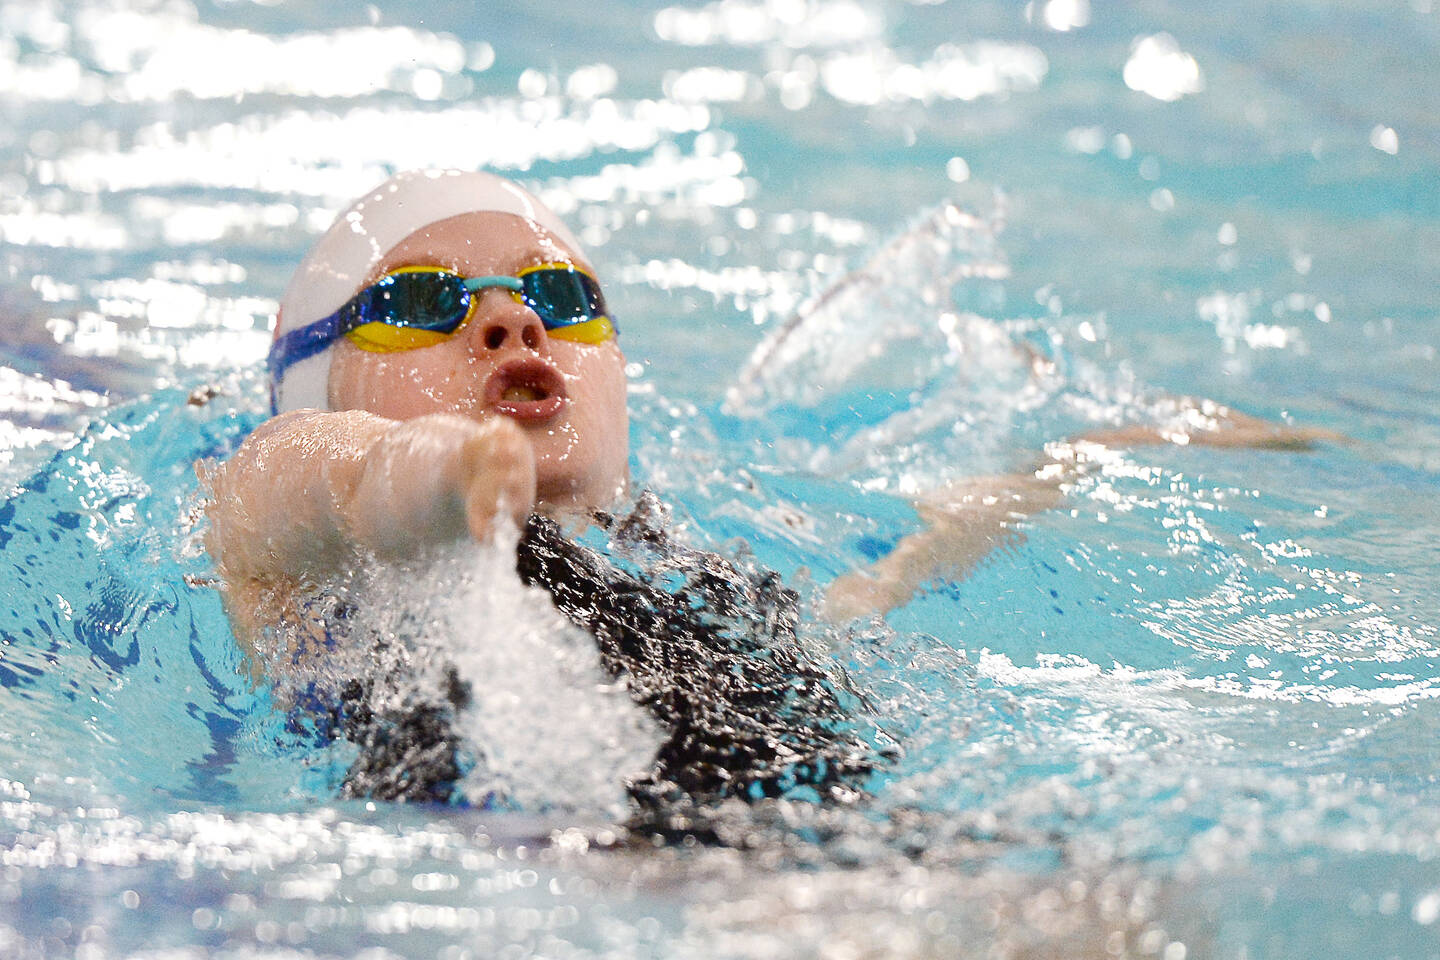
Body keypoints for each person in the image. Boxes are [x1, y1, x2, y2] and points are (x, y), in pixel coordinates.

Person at [205, 168, 1328, 806]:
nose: (515, 317)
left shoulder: (700, 578)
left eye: (557, 291)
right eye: (419, 306)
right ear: (312, 386)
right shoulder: (298, 550)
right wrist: (431, 471)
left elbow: (888, 579)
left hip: (843, 837)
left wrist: (1088, 453)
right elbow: (310, 486)